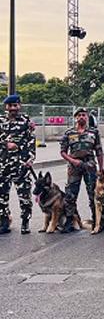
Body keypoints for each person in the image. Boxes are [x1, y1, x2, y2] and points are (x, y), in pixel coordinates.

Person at [60, 107, 104, 233]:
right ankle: (70, 221)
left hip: (90, 165)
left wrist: (101, 169)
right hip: (74, 166)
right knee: (70, 195)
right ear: (75, 118)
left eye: (84, 115)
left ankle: (97, 221)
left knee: (93, 194)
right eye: (79, 115)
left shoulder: (94, 132)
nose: (81, 117)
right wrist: (72, 160)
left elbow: (99, 151)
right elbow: (63, 152)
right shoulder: (69, 133)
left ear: (87, 117)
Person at [0, 95, 35, 234]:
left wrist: (30, 159)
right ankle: (4, 222)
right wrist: (6, 143)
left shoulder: (26, 121)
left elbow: (31, 141)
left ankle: (25, 222)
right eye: (10, 106)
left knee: (24, 195)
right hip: (3, 164)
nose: (13, 108)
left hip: (21, 164)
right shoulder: (0, 121)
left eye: (16, 105)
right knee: (2, 196)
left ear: (19, 106)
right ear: (6, 107)